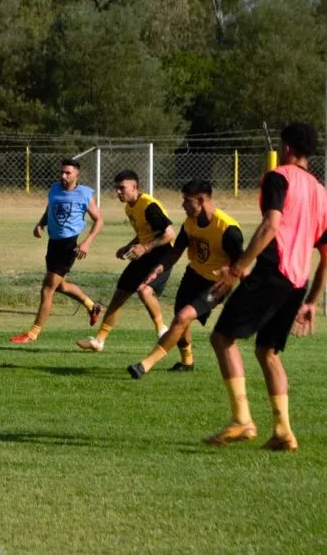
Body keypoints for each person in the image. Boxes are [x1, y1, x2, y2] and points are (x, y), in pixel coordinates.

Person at [204, 122, 327, 452]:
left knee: (222, 337)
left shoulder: (279, 177)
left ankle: (242, 419)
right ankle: (283, 431)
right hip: (297, 282)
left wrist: (237, 268)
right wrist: (313, 300)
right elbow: (326, 253)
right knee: (267, 352)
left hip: (273, 272)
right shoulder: (320, 191)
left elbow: (271, 225)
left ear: (286, 148)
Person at [126, 179, 243, 379]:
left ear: (201, 200)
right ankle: (187, 361)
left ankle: (144, 365)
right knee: (181, 319)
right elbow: (176, 251)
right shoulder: (190, 223)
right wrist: (159, 269)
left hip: (214, 285)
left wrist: (228, 279)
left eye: (187, 201)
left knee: (182, 318)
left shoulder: (228, 229)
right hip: (192, 276)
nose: (182, 205)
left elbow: (240, 264)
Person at [77, 170, 175, 352]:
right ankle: (99, 341)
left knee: (144, 292)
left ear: (134, 187)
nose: (118, 192)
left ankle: (163, 331)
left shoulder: (149, 206)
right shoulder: (129, 207)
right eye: (116, 188)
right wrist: (128, 246)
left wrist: (144, 247)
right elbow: (143, 233)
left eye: (122, 188)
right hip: (145, 253)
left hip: (163, 255)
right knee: (119, 295)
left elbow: (169, 235)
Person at [11, 158, 103, 343]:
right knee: (59, 285)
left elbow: (99, 220)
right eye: (62, 172)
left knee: (47, 288)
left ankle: (33, 334)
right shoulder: (54, 189)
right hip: (53, 243)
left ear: (77, 174)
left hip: (69, 244)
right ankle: (92, 306)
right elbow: (50, 208)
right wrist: (41, 223)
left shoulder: (84, 194)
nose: (63, 176)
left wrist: (86, 243)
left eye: (68, 173)